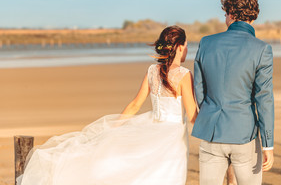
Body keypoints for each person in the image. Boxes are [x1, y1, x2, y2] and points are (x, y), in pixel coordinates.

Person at [17, 25, 198, 185]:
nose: (187, 49)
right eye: (187, 45)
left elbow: (135, 104)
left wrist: (114, 127)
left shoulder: (152, 71)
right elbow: (191, 115)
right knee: (169, 176)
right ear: (180, 47)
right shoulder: (184, 74)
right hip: (172, 135)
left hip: (152, 126)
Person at [191, 0, 274, 185]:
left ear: (231, 14)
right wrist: (268, 144)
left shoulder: (206, 43)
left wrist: (211, 110)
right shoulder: (262, 49)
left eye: (225, 14)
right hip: (244, 133)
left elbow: (199, 87)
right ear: (253, 17)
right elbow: (264, 98)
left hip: (211, 132)